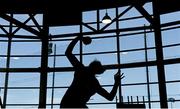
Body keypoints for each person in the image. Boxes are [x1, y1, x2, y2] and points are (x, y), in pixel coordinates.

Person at [60, 36, 124, 108]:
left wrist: (78, 38)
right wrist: (116, 83)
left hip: (67, 103)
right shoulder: (94, 83)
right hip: (77, 105)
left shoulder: (81, 70)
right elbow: (110, 97)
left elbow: (68, 53)